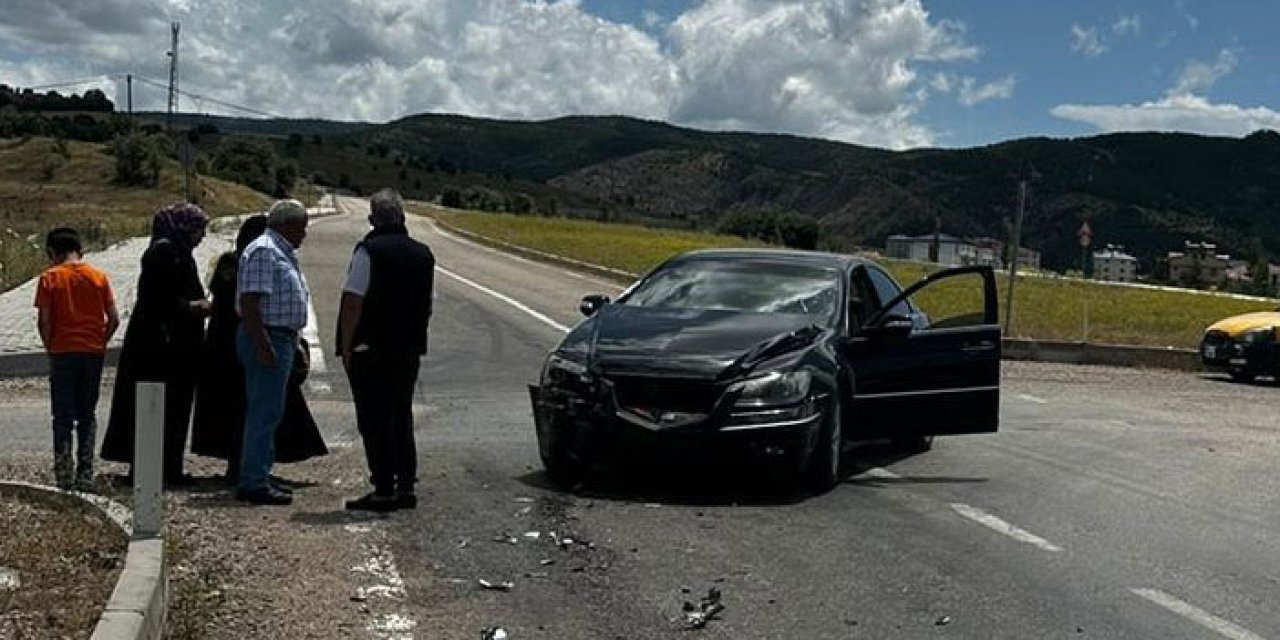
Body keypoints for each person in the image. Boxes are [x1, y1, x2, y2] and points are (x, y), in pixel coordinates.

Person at [191, 215, 327, 482]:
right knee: (249, 408)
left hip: (234, 342)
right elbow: (243, 302)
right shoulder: (239, 262)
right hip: (236, 344)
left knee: (256, 407)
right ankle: (248, 470)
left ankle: (254, 466)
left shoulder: (241, 261)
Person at [337, 189, 435, 512]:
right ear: (403, 218)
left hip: (372, 348)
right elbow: (427, 304)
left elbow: (353, 301)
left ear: (372, 219)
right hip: (408, 348)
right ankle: (405, 484)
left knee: (375, 418)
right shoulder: (423, 254)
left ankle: (382, 488)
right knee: (401, 414)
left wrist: (348, 345)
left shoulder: (368, 251)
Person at [101, 203, 210, 485]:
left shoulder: (178, 251)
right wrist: (194, 307)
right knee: (158, 407)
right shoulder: (164, 252)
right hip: (160, 348)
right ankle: (152, 471)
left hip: (171, 345)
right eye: (199, 230)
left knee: (173, 409)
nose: (202, 237)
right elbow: (159, 301)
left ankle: (167, 468)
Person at [236, 199, 310, 506]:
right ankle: (253, 481)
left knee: (270, 411)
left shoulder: (278, 250)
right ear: (287, 224)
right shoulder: (265, 250)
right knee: (264, 412)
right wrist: (263, 343)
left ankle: (260, 473)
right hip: (269, 337)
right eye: (301, 227)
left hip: (280, 336)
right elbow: (251, 301)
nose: (304, 234)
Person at [35, 227, 120, 490]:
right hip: (92, 352)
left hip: (62, 352)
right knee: (87, 415)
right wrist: (100, 344)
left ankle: (63, 474)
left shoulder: (49, 278)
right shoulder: (98, 277)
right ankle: (85, 473)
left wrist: (50, 346)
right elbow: (114, 319)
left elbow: (44, 321)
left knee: (62, 416)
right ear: (79, 249)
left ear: (52, 252)